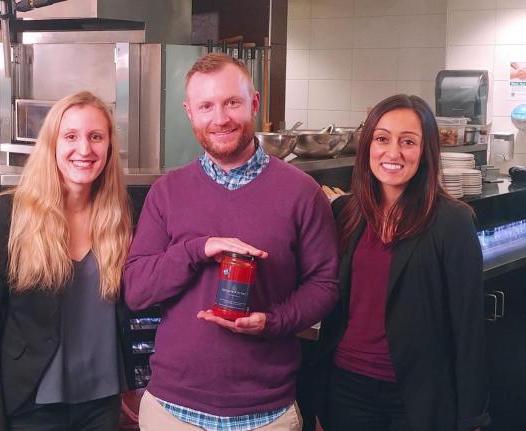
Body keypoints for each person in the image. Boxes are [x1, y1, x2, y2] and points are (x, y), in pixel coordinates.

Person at [123, 53, 339, 430]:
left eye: (232, 103)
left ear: (254, 103)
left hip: (267, 412)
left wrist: (272, 321)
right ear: (190, 112)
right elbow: (137, 289)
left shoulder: (302, 193)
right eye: (206, 106)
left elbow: (325, 285)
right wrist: (197, 249)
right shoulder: (167, 192)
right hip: (172, 410)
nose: (219, 118)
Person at [309, 94, 490, 431]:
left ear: (425, 152)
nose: (393, 153)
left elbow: (468, 326)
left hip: (419, 396)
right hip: (345, 388)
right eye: (382, 139)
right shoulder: (343, 213)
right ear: (367, 147)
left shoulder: (451, 222)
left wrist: (472, 417)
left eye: (408, 141)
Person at [0, 91, 133, 431]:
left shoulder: (120, 219)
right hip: (31, 406)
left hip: (102, 404)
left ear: (109, 148)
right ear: (51, 145)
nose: (84, 149)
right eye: (70, 136)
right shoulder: (8, 215)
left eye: (96, 137)